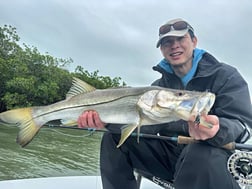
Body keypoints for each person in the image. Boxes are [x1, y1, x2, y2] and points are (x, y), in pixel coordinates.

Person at [77, 18, 252, 189]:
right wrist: (108, 122)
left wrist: (218, 130)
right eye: (167, 42)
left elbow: (243, 125)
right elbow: (146, 128)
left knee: (198, 152)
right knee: (113, 139)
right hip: (171, 156)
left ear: (194, 41)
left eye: (180, 38)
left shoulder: (225, 76)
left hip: (214, 160)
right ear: (161, 49)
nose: (174, 45)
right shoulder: (158, 88)